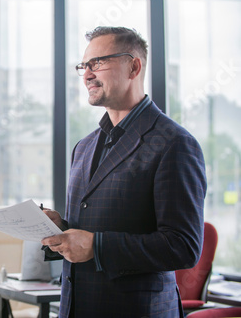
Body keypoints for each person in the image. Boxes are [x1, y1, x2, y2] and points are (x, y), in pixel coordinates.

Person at [41, 26, 207, 317]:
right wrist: (62, 228)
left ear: (134, 66)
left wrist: (98, 246)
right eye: (84, 65)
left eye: (98, 63)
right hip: (77, 307)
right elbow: (92, 227)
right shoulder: (83, 147)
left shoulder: (174, 143)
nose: (87, 74)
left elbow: (183, 246)